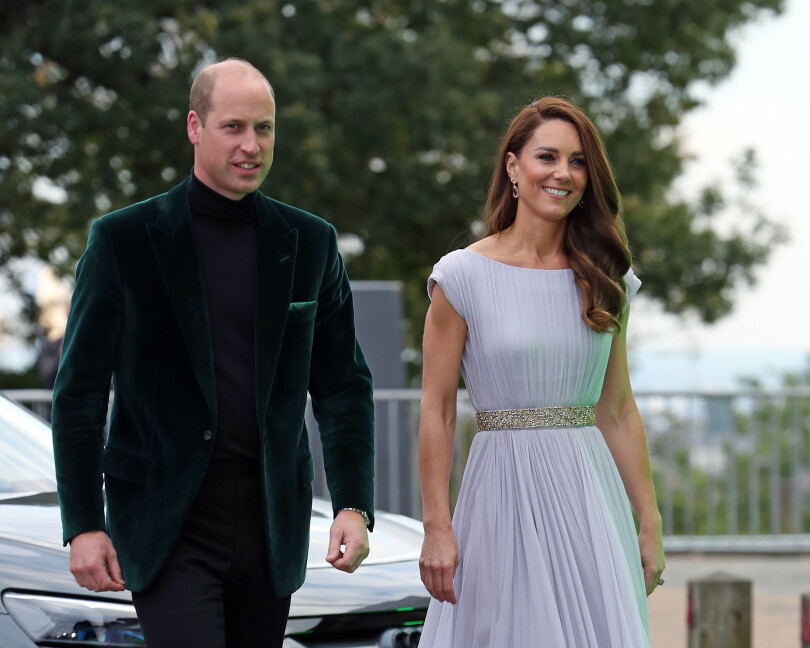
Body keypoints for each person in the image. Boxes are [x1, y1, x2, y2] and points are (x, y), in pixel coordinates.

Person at [51, 58, 375, 648]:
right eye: (234, 127)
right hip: (165, 524)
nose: (251, 145)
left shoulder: (310, 243)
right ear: (195, 127)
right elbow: (79, 393)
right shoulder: (123, 240)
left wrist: (353, 504)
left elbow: (343, 386)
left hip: (271, 526)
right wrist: (83, 524)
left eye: (265, 128)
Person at [417, 96, 664, 647]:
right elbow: (436, 407)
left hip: (590, 500)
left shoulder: (606, 279)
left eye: (578, 162)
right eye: (547, 157)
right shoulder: (462, 276)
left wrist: (649, 524)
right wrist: (437, 525)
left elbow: (618, 410)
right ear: (513, 167)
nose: (563, 173)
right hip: (500, 497)